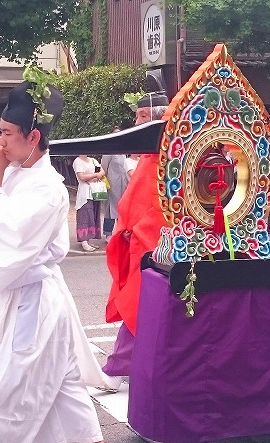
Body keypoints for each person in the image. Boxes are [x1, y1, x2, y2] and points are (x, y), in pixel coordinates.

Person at [0, 76, 116, 443]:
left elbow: (7, 235)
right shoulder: (14, 171)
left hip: (33, 307)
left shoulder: (47, 187)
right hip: (39, 303)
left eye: (8, 133)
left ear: (33, 137)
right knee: (68, 391)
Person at [103, 91, 168, 379]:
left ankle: (119, 367)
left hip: (149, 243)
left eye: (141, 116)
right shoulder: (153, 156)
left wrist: (127, 229)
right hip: (153, 241)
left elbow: (135, 204)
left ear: (155, 119)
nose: (135, 121)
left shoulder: (156, 159)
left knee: (137, 304)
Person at [101, 127, 129, 242]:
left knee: (122, 209)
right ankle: (108, 233)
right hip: (112, 184)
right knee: (111, 209)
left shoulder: (123, 151)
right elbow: (104, 168)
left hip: (124, 184)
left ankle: (120, 232)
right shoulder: (109, 151)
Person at [73, 155, 105, 252]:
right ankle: (84, 241)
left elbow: (102, 171)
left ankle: (89, 239)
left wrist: (94, 176)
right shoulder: (77, 161)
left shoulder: (93, 160)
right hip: (84, 192)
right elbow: (81, 177)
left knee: (93, 215)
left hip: (95, 191)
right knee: (84, 215)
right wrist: (95, 175)